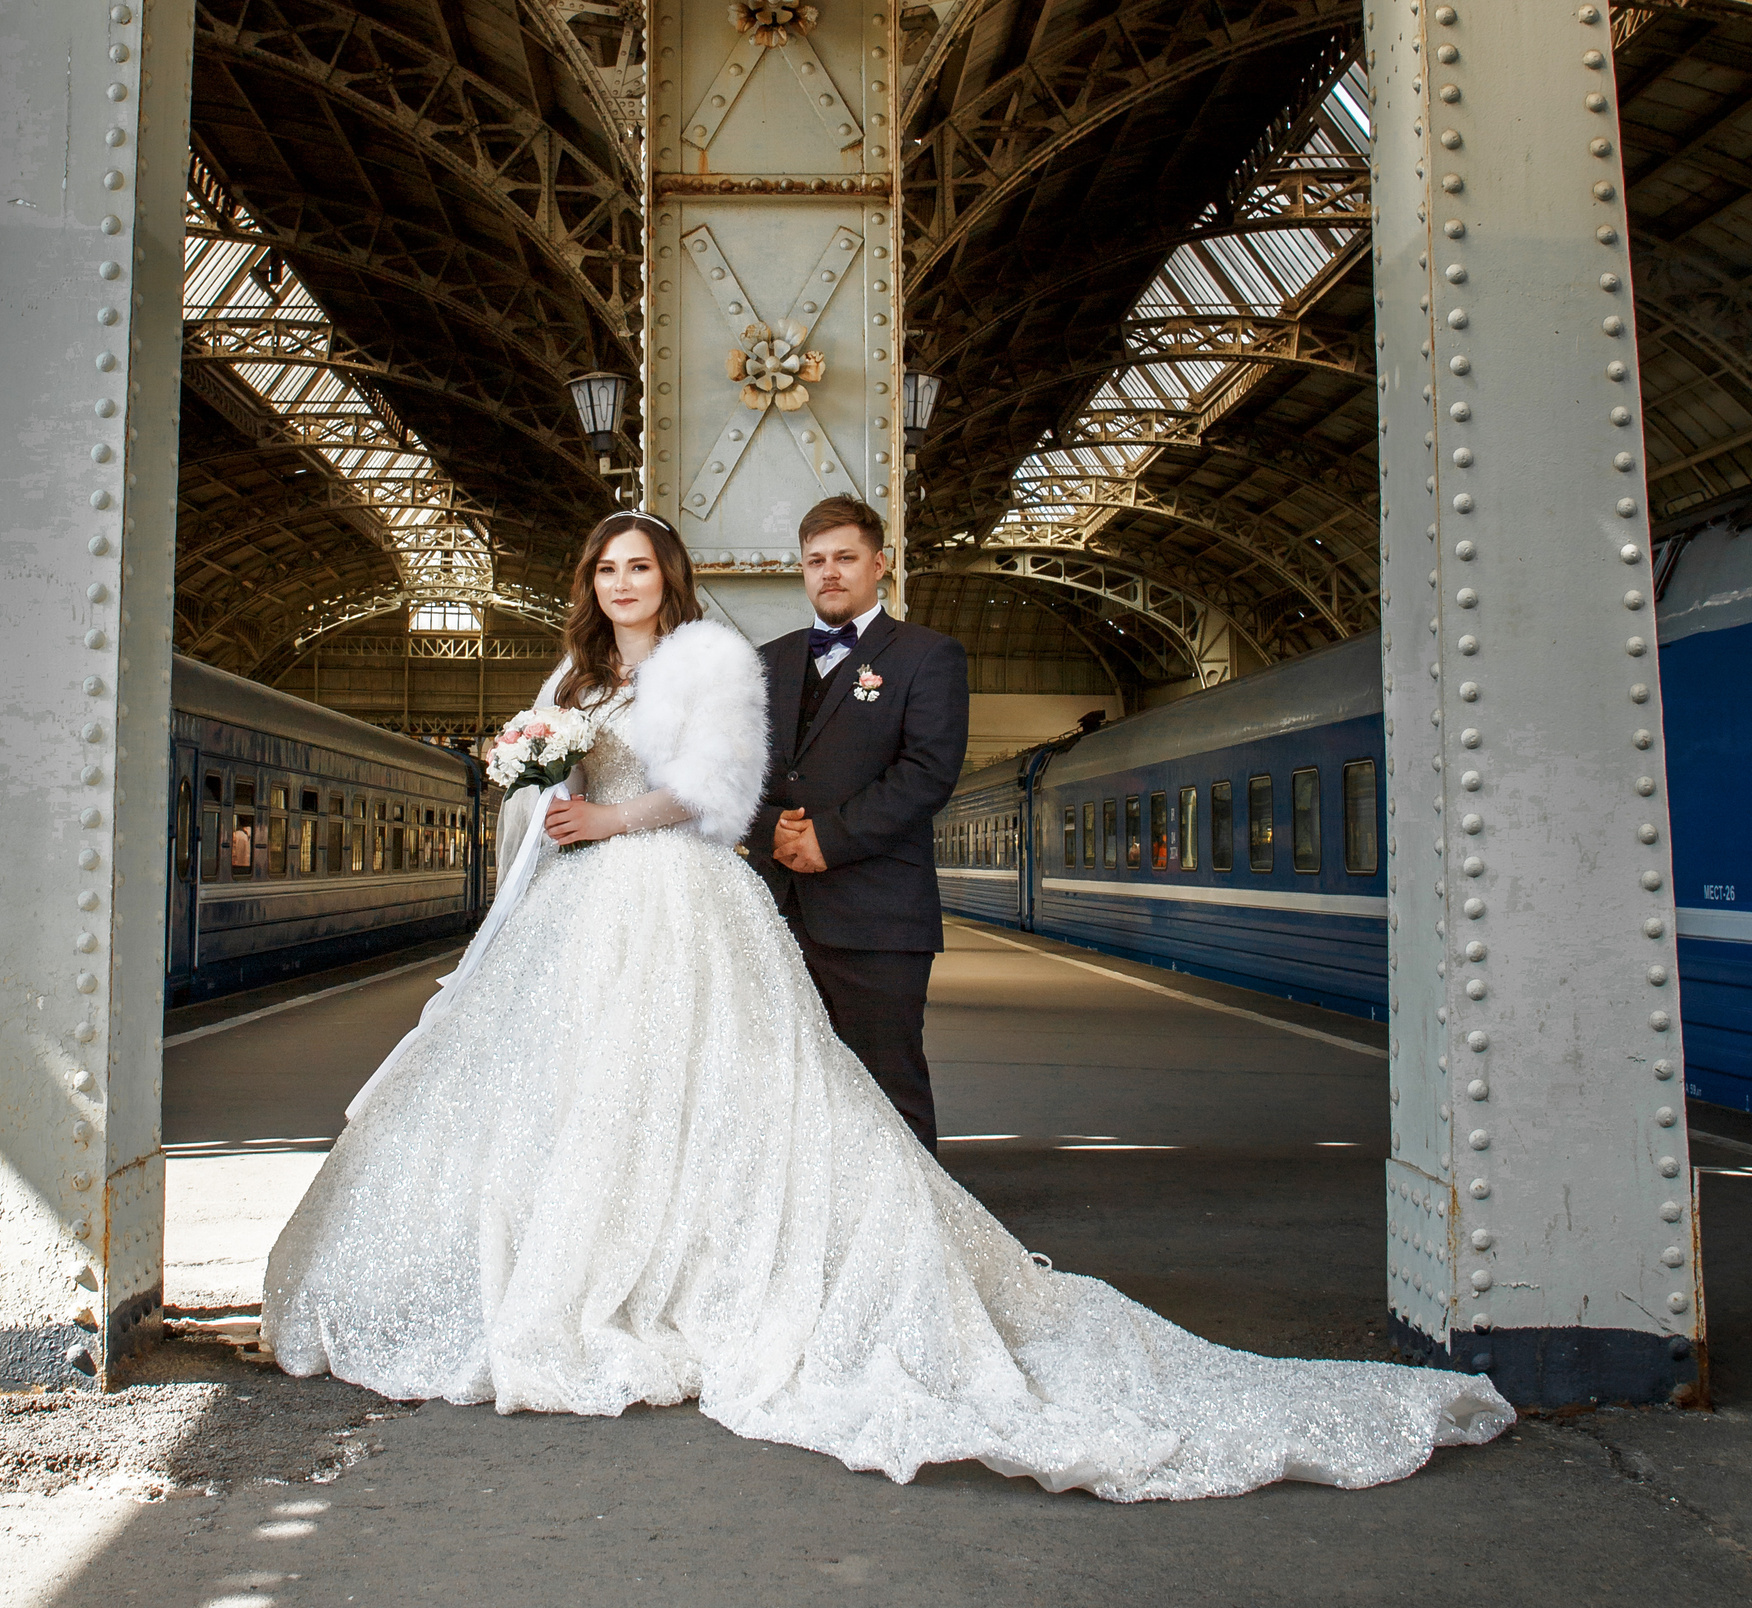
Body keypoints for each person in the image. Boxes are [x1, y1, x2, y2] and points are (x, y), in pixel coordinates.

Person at [263, 509, 1514, 1500]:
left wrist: (607, 812)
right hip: (587, 910)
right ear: (589, 583)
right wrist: (538, 783)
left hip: (674, 895)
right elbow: (562, 776)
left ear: (670, 577)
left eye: (639, 565)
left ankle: (753, 1281)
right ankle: (596, 1273)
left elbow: (719, 786)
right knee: (593, 1094)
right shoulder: (577, 673)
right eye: (606, 568)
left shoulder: (710, 660)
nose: (621, 582)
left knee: (738, 1090)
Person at [747, 495, 966, 1152]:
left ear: (881, 564)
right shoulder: (766, 662)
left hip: (878, 918)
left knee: (887, 1084)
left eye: (845, 557)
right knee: (781, 1088)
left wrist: (829, 839)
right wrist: (768, 829)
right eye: (816, 560)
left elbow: (927, 772)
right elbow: (733, 771)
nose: (829, 572)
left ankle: (914, 1216)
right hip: (774, 910)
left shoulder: (928, 655)